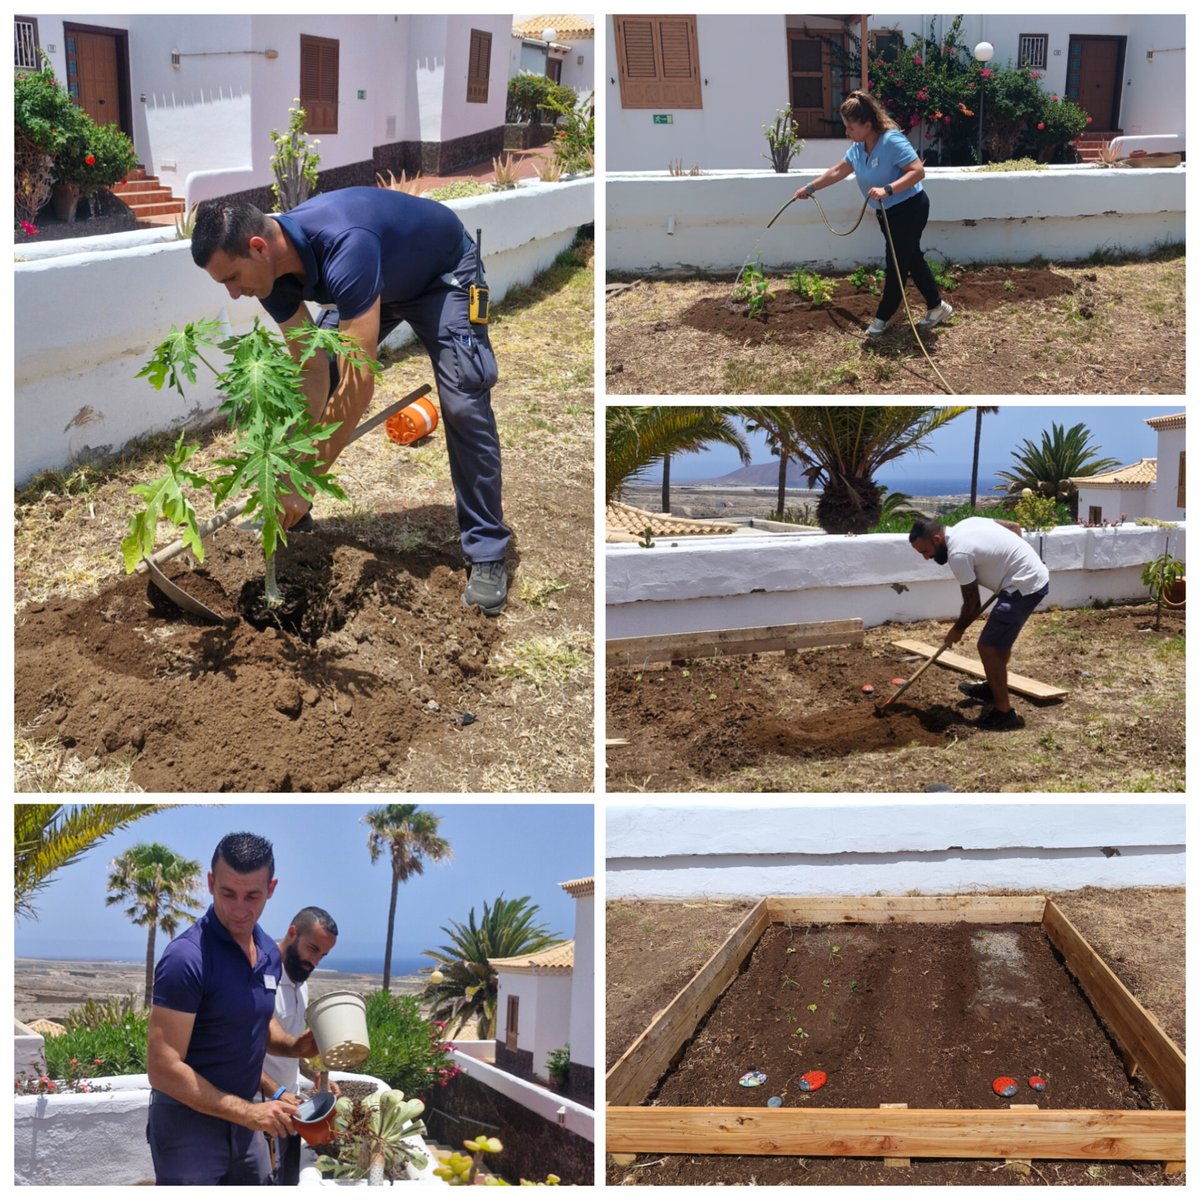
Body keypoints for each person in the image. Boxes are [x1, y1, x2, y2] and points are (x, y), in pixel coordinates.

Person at [190, 189, 512, 615]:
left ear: (257, 247)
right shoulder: (268, 277)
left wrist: (305, 477)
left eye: (231, 278)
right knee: (313, 369)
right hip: (379, 282)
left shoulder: (346, 243)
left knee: (463, 402)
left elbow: (359, 385)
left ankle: (488, 550)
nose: (233, 294)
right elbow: (313, 371)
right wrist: (291, 476)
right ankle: (293, 511)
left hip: (443, 276)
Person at [146, 833, 320, 1185]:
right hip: (187, 1127)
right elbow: (163, 1069)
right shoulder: (187, 959)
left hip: (246, 1126)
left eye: (253, 895)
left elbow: (254, 1023)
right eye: (228, 893)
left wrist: (295, 1046)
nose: (240, 909)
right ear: (211, 883)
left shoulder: (270, 953)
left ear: (271, 889)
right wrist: (249, 1111)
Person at [794, 89, 952, 338]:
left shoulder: (891, 141)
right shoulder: (857, 148)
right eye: (845, 127)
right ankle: (937, 306)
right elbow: (838, 171)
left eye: (850, 127)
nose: (847, 132)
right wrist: (810, 188)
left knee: (896, 265)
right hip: (887, 213)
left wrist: (889, 189)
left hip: (910, 208)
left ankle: (883, 317)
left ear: (868, 125)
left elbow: (917, 172)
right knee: (911, 258)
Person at [909, 516, 1050, 731]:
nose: (926, 558)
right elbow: (1014, 526)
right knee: (998, 643)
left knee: (988, 647)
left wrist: (957, 630)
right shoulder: (968, 522)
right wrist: (1014, 563)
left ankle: (1004, 713)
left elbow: (973, 605)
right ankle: (994, 688)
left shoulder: (958, 554)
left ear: (937, 539)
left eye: (925, 551)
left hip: (1024, 587)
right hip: (1029, 579)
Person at [259, 906, 340, 1184]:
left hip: (291, 1111)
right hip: (259, 1111)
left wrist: (314, 1075)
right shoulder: (262, 978)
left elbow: (295, 1050)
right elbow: (243, 1052)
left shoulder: (301, 983)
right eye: (312, 949)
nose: (315, 961)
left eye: (323, 955)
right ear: (292, 933)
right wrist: (276, 1091)